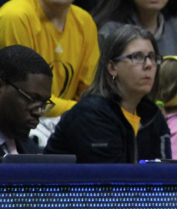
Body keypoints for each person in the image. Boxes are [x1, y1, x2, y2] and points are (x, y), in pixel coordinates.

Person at [45, 25, 169, 162]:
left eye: (152, 57)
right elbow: (113, 180)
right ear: (112, 68)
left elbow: (165, 174)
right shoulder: (91, 115)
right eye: (137, 57)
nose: (149, 65)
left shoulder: (153, 116)